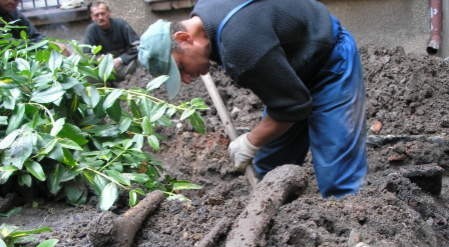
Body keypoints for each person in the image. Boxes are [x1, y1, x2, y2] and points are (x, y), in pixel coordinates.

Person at [138, 0, 367, 198]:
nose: (187, 79)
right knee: (269, 166)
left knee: (338, 176)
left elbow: (292, 107)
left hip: (329, 59)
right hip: (290, 67)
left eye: (181, 68)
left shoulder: (241, 48)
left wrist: (250, 141)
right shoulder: (204, 11)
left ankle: (355, 231)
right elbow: (288, 100)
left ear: (184, 38)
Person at [84, 1, 139, 80]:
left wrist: (121, 60)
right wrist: (98, 59)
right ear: (92, 17)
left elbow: (137, 46)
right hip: (104, 67)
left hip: (125, 63)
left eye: (103, 13)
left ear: (109, 13)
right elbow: (86, 54)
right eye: (96, 15)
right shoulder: (91, 30)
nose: (100, 17)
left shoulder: (121, 24)